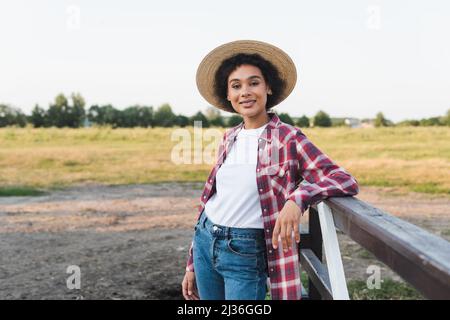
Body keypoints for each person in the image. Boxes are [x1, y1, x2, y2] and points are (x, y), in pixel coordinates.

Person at [181, 40, 359, 300]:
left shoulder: (288, 138)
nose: (245, 92)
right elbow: (211, 200)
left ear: (268, 88)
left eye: (254, 83)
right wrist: (191, 265)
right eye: (236, 86)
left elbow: (343, 179)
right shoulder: (229, 137)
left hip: (245, 251)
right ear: (229, 96)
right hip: (206, 240)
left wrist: (297, 199)